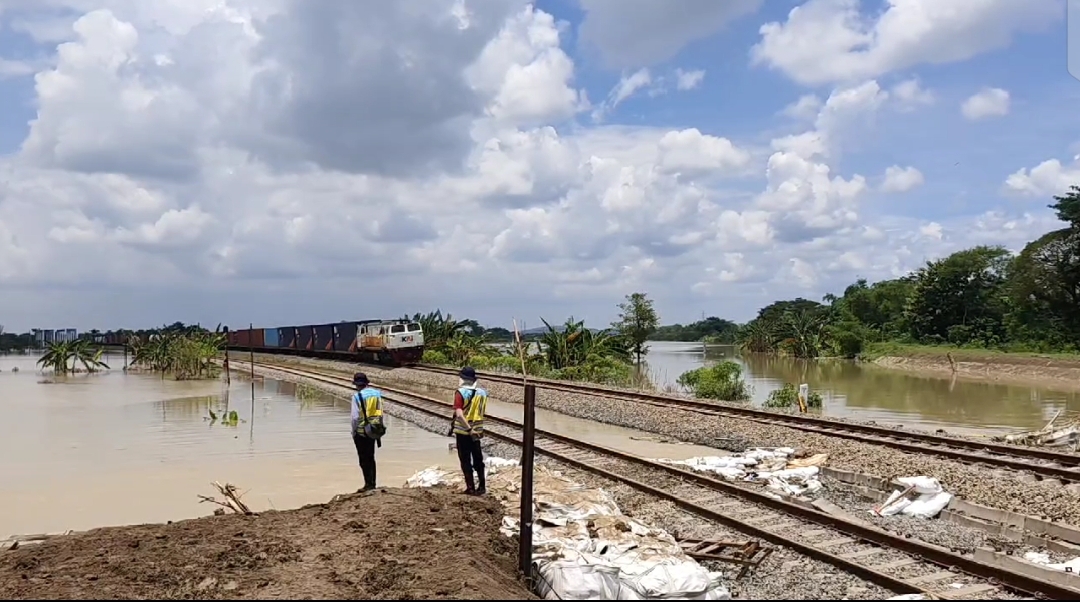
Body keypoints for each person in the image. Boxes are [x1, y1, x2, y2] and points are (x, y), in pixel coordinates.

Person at [452, 366, 488, 496]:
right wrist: (474, 429)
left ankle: (470, 488)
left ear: (462, 378)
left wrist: (468, 428)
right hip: (478, 430)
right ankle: (482, 487)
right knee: (478, 459)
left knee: (465, 460)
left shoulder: (460, 393)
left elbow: (460, 415)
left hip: (464, 432)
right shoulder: (483, 393)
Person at [350, 372, 386, 492]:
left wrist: (354, 432)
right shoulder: (377, 394)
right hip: (374, 429)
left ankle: (368, 484)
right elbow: (380, 411)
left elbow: (355, 418)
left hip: (361, 431)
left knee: (363, 459)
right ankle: (373, 483)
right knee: (371, 456)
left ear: (356, 384)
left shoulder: (357, 397)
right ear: (367, 383)